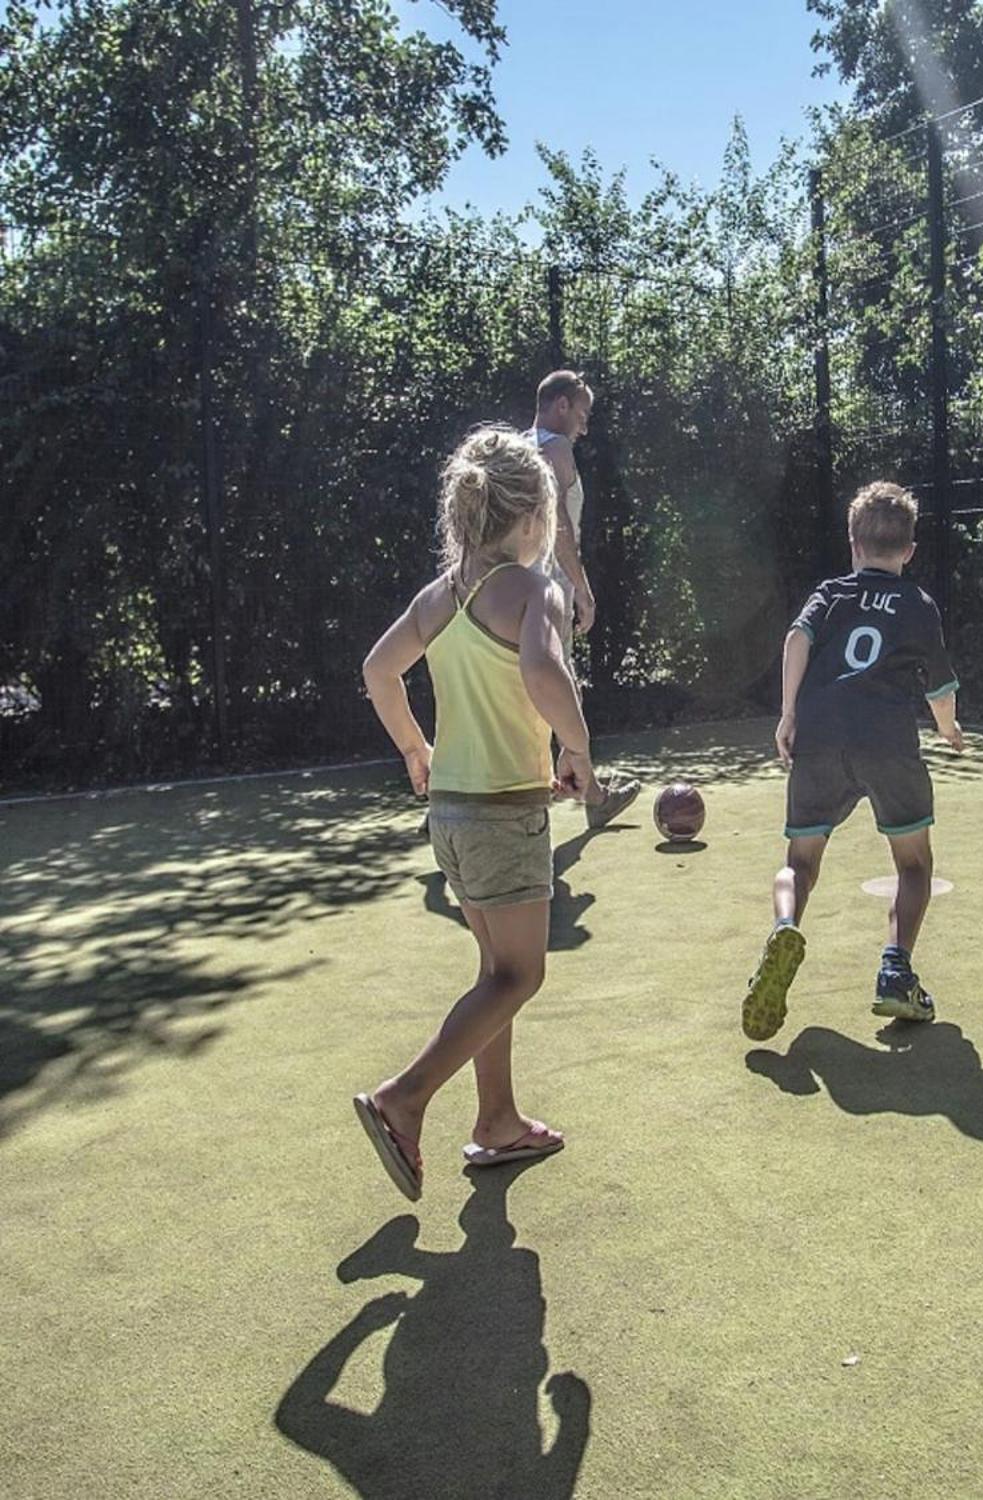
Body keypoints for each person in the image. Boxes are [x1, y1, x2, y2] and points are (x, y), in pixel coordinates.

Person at [353, 426, 596, 1200]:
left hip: (451, 814)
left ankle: (497, 1122)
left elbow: (378, 670)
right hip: (500, 815)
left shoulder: (442, 593)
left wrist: (415, 751)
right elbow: (541, 668)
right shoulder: (533, 587)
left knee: (494, 972)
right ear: (534, 519)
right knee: (521, 974)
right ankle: (404, 1097)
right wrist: (578, 748)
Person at [741, 481, 963, 1042]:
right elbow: (939, 689)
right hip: (886, 739)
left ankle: (785, 926)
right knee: (913, 865)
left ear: (853, 543)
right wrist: (947, 728)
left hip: (820, 734)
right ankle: (895, 971)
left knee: (801, 861)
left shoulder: (831, 593)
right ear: (909, 550)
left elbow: (797, 638)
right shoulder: (917, 605)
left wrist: (788, 714)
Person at [529, 370, 638, 830]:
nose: (584, 425)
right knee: (560, 693)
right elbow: (559, 527)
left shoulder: (513, 447)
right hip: (546, 594)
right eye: (582, 412)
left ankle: (446, 803)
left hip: (501, 590)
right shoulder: (555, 449)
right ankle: (594, 797)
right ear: (560, 406)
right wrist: (585, 593)